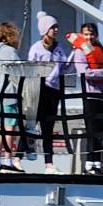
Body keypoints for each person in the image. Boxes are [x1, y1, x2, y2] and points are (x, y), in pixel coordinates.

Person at [26, 12, 76, 161]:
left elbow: (65, 69)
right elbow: (30, 69)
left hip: (54, 90)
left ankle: (49, 162)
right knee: (32, 123)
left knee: (48, 125)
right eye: (52, 27)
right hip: (40, 88)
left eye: (56, 27)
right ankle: (22, 155)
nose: (56, 30)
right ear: (44, 30)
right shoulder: (36, 48)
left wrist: (74, 54)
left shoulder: (59, 48)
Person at [74, 21, 103, 166]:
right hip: (89, 95)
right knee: (91, 128)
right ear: (82, 35)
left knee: (100, 128)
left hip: (102, 95)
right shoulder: (80, 52)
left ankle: (98, 160)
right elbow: (85, 73)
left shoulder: (100, 49)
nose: (89, 37)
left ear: (96, 35)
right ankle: (89, 160)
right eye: (86, 34)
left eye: (91, 34)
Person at [0, 20, 24, 165]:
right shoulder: (10, 52)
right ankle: (8, 158)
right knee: (9, 127)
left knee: (2, 126)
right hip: (9, 93)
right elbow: (18, 73)